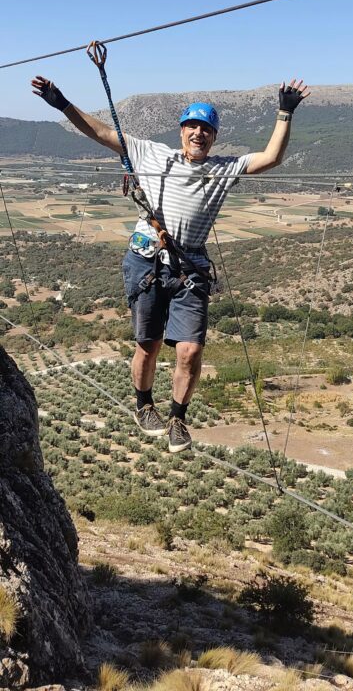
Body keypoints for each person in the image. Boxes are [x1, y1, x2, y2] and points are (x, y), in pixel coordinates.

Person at [32, 74, 310, 452]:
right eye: (192, 126)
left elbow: (271, 158)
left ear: (214, 137)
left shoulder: (223, 169)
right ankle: (144, 405)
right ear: (181, 131)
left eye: (206, 129)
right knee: (148, 344)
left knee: (190, 351)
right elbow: (101, 133)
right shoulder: (151, 154)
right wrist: (61, 102)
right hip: (148, 259)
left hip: (190, 268)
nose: (198, 133)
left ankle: (178, 416)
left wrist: (285, 112)